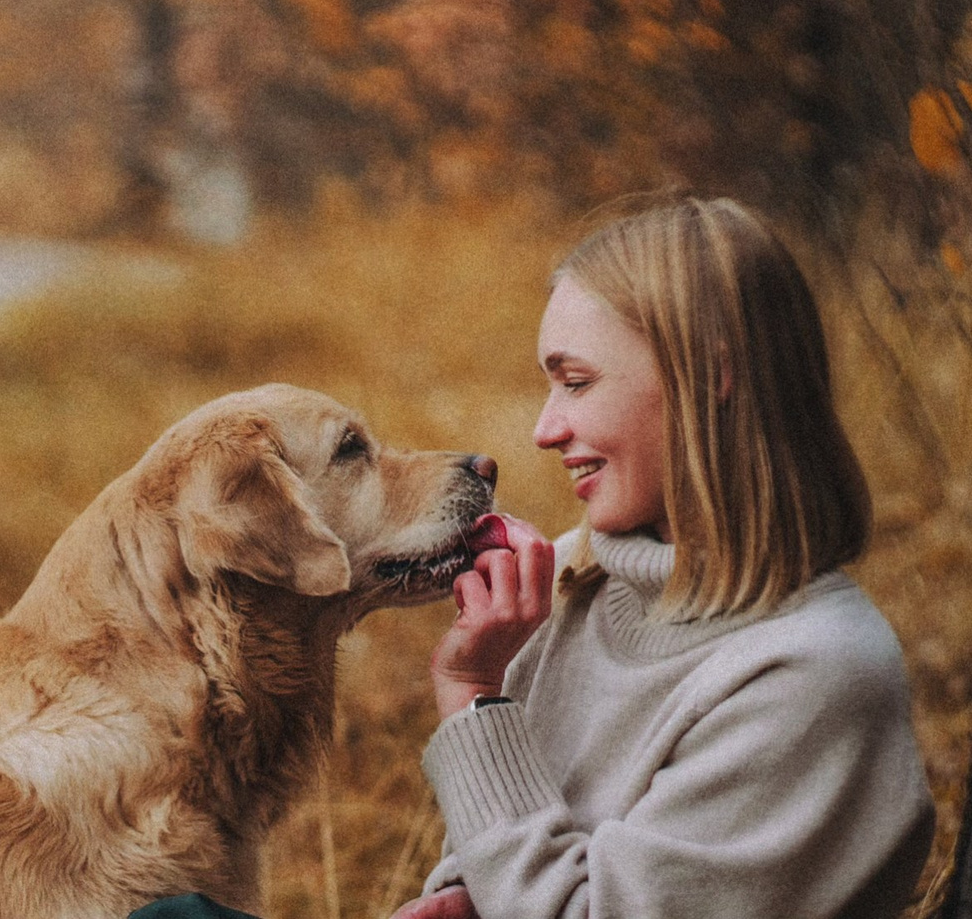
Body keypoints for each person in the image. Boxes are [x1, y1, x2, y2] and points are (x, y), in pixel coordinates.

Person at [396, 193, 933, 919]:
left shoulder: (812, 673)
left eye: (576, 381)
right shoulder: (565, 587)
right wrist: (456, 899)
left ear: (710, 375)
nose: (544, 428)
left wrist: (471, 695)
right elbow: (498, 854)